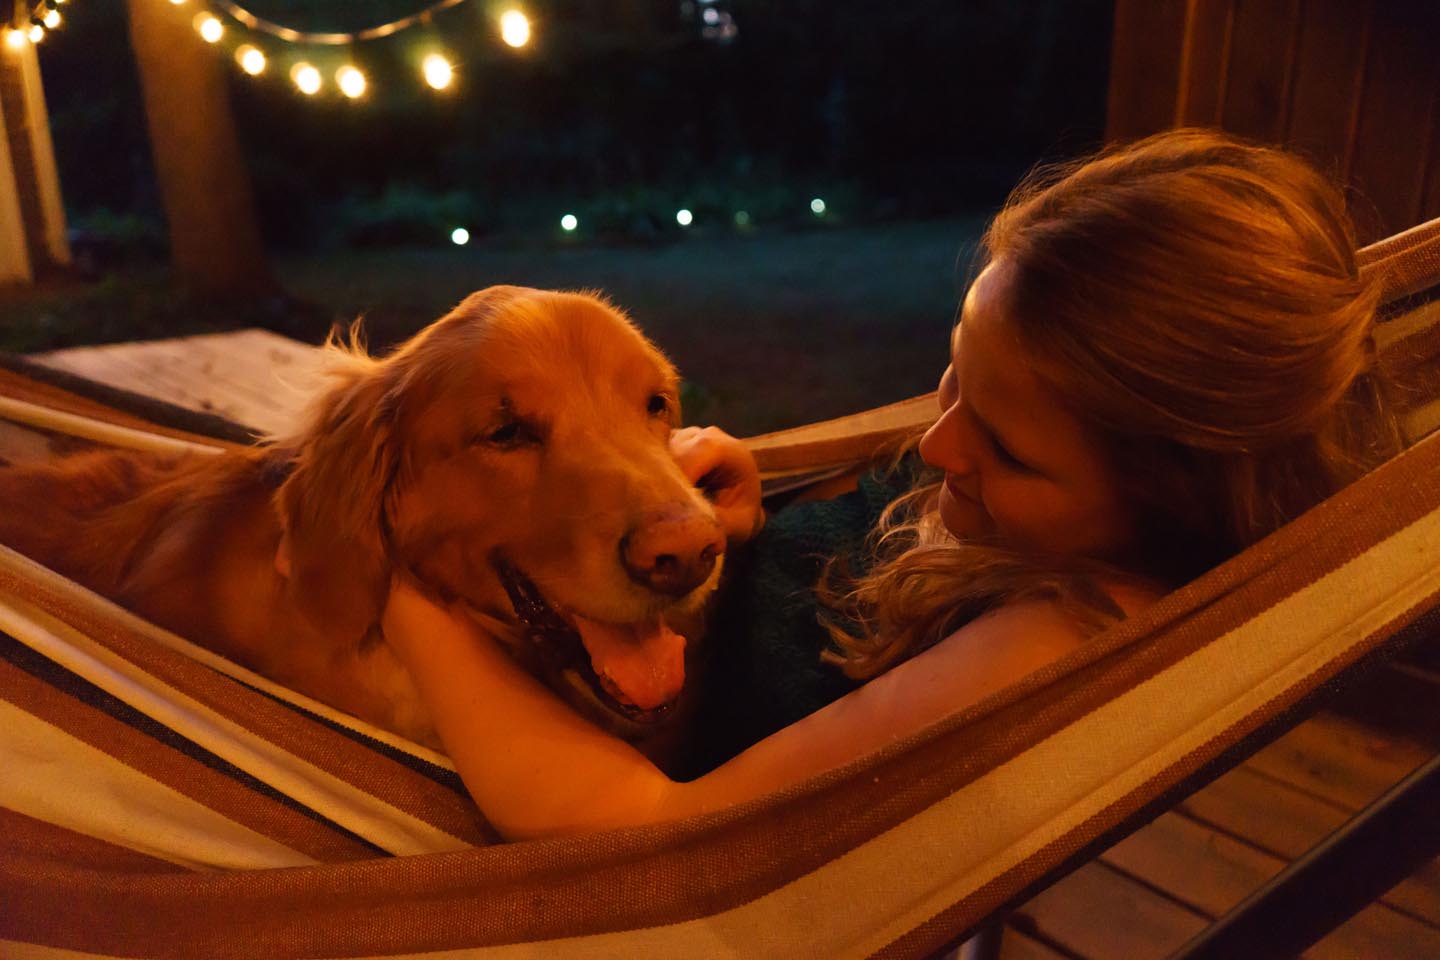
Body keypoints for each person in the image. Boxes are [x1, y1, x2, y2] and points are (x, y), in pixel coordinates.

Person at [382, 129, 1403, 841]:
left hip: (571, 748)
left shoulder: (1049, 642)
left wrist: (397, 589)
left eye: (1008, 450)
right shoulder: (1027, 516)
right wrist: (749, 515)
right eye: (954, 376)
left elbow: (642, 829)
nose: (939, 443)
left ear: (1164, 497)